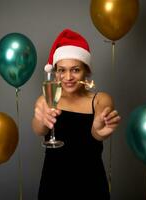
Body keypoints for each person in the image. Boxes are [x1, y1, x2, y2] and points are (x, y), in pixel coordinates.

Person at [32, 29, 121, 200]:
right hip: (53, 185)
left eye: (75, 70)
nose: (67, 77)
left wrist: (98, 129)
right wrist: (41, 120)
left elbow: (98, 131)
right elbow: (39, 130)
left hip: (91, 185)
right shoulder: (48, 98)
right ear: (55, 72)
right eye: (61, 70)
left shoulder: (100, 99)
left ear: (86, 71)